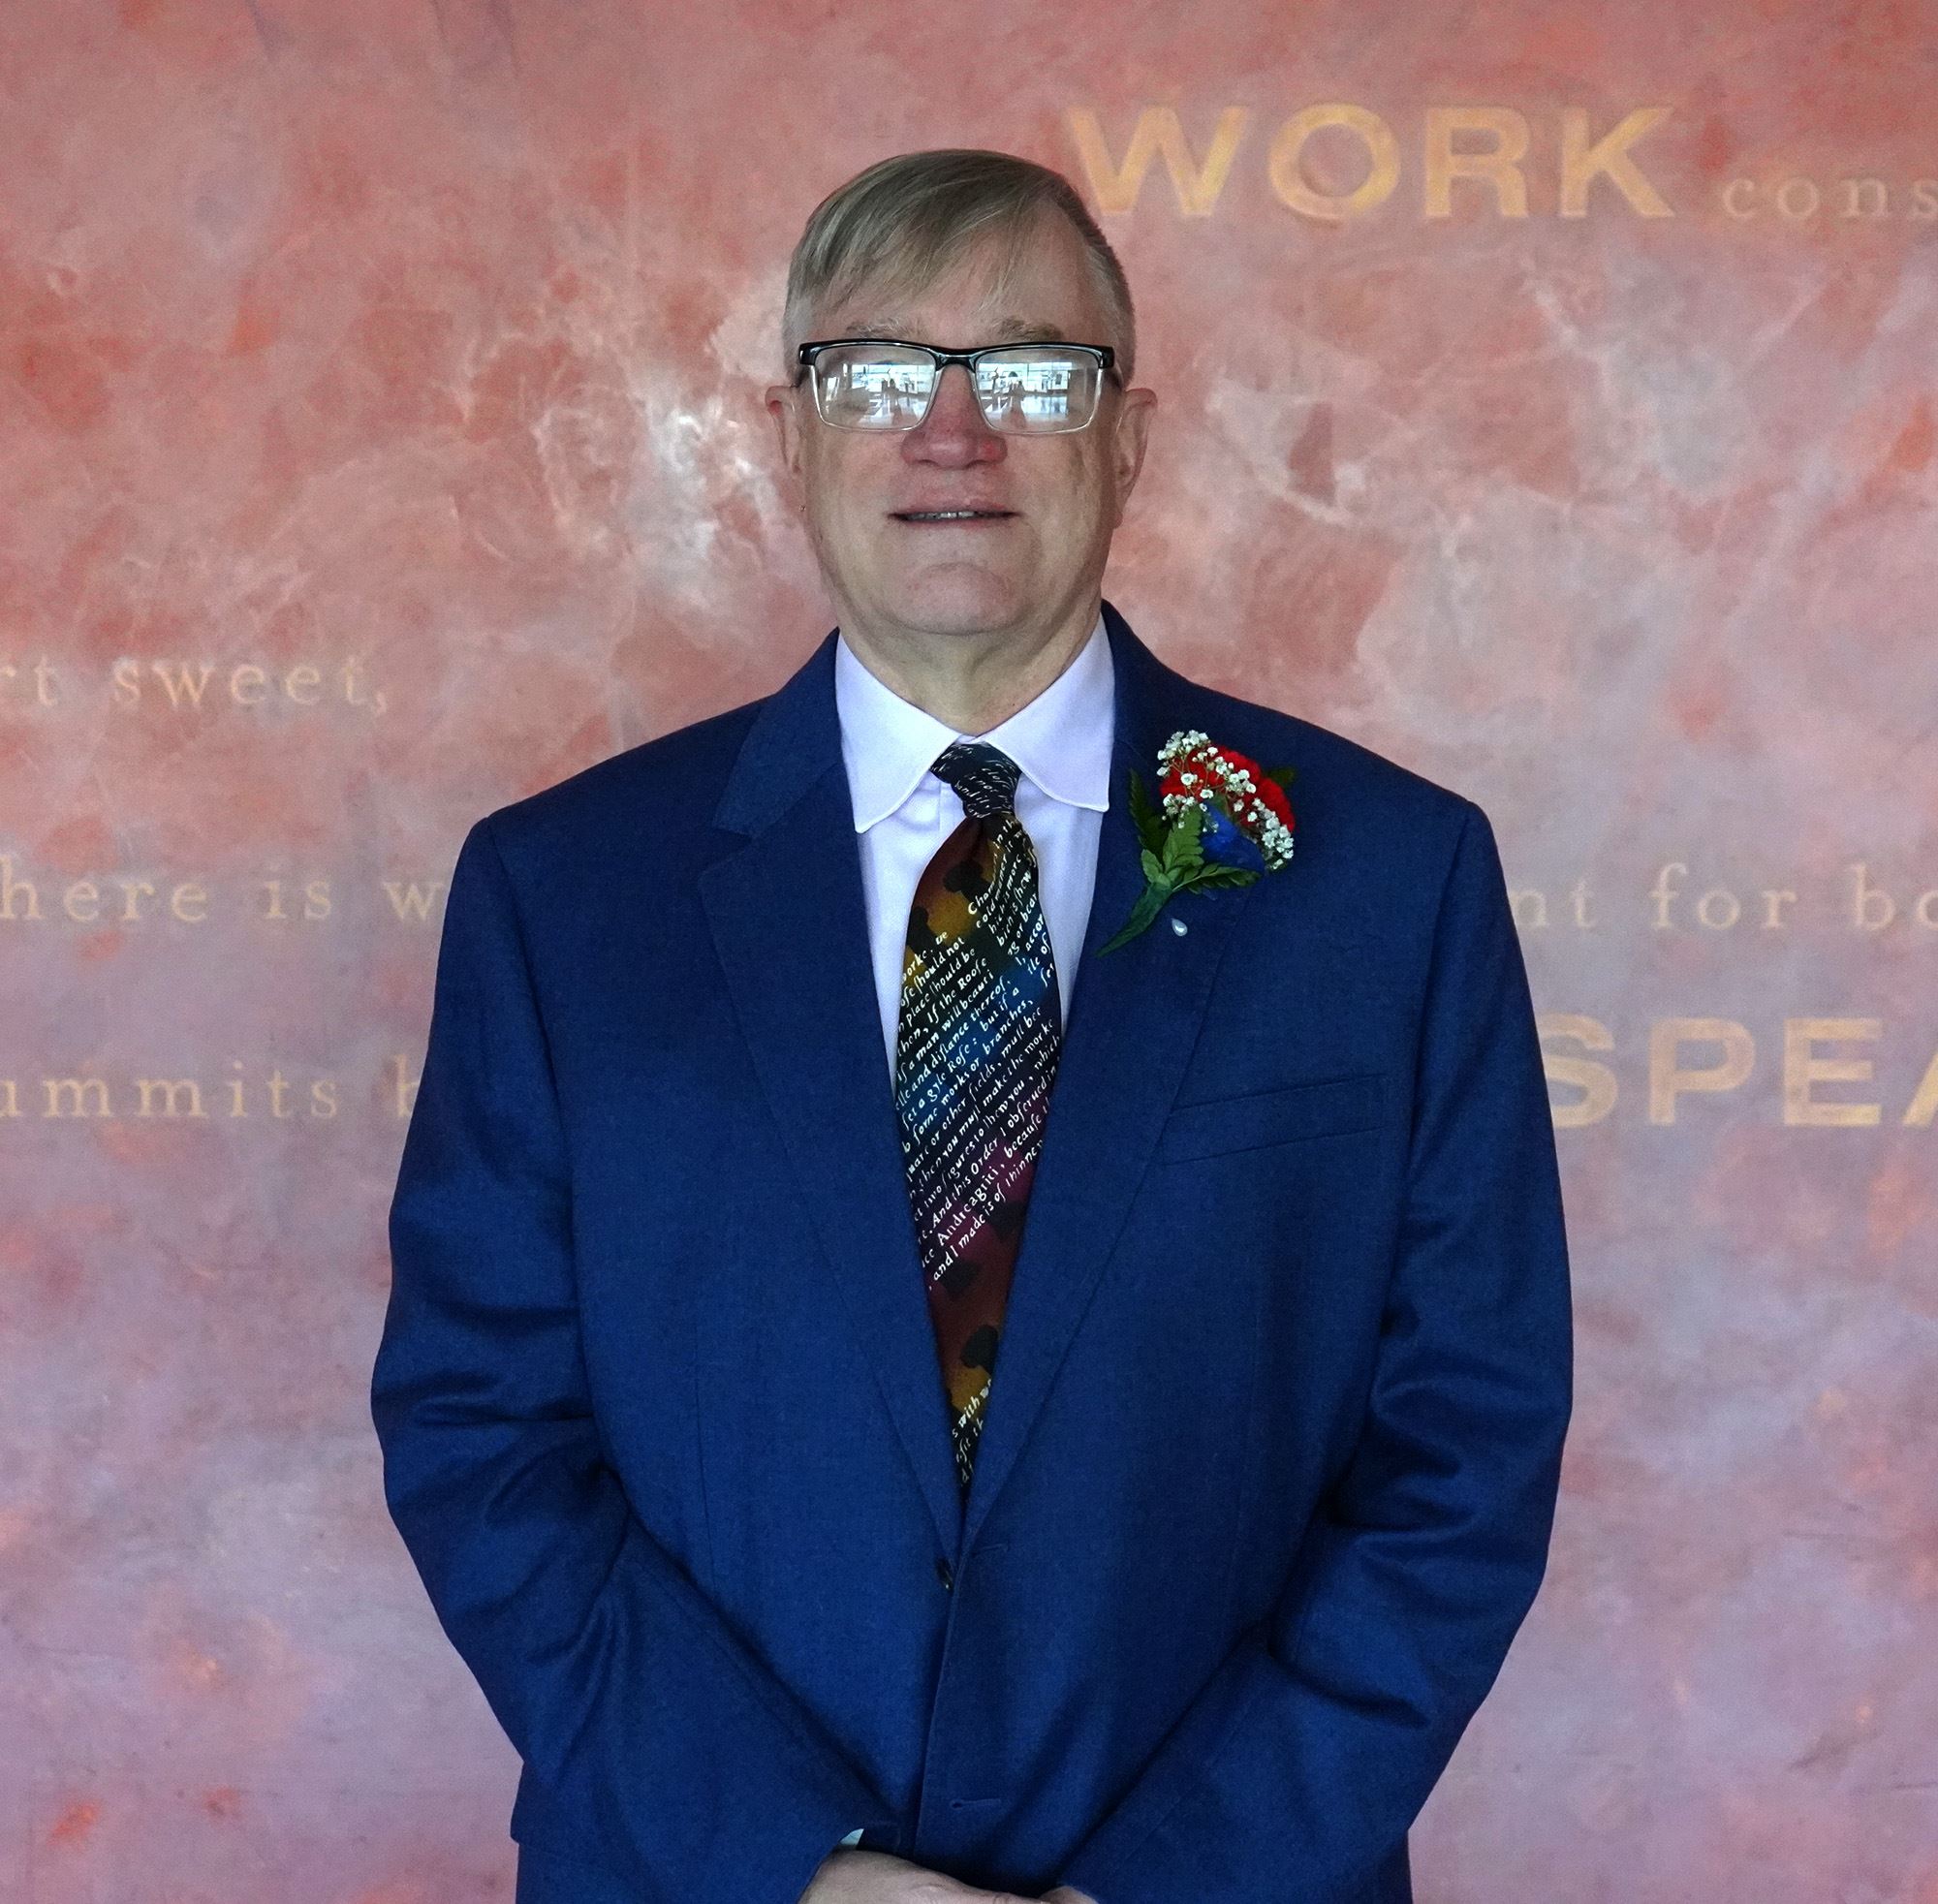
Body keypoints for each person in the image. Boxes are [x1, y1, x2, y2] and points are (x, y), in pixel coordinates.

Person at [370, 147, 1573, 1904]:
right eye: (878, 374)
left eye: (1029, 371)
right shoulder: (563, 900)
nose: (954, 432)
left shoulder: (1392, 883)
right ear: (789, 434)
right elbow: (483, 1438)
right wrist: (800, 1865)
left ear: (1130, 435)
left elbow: (1463, 1451)